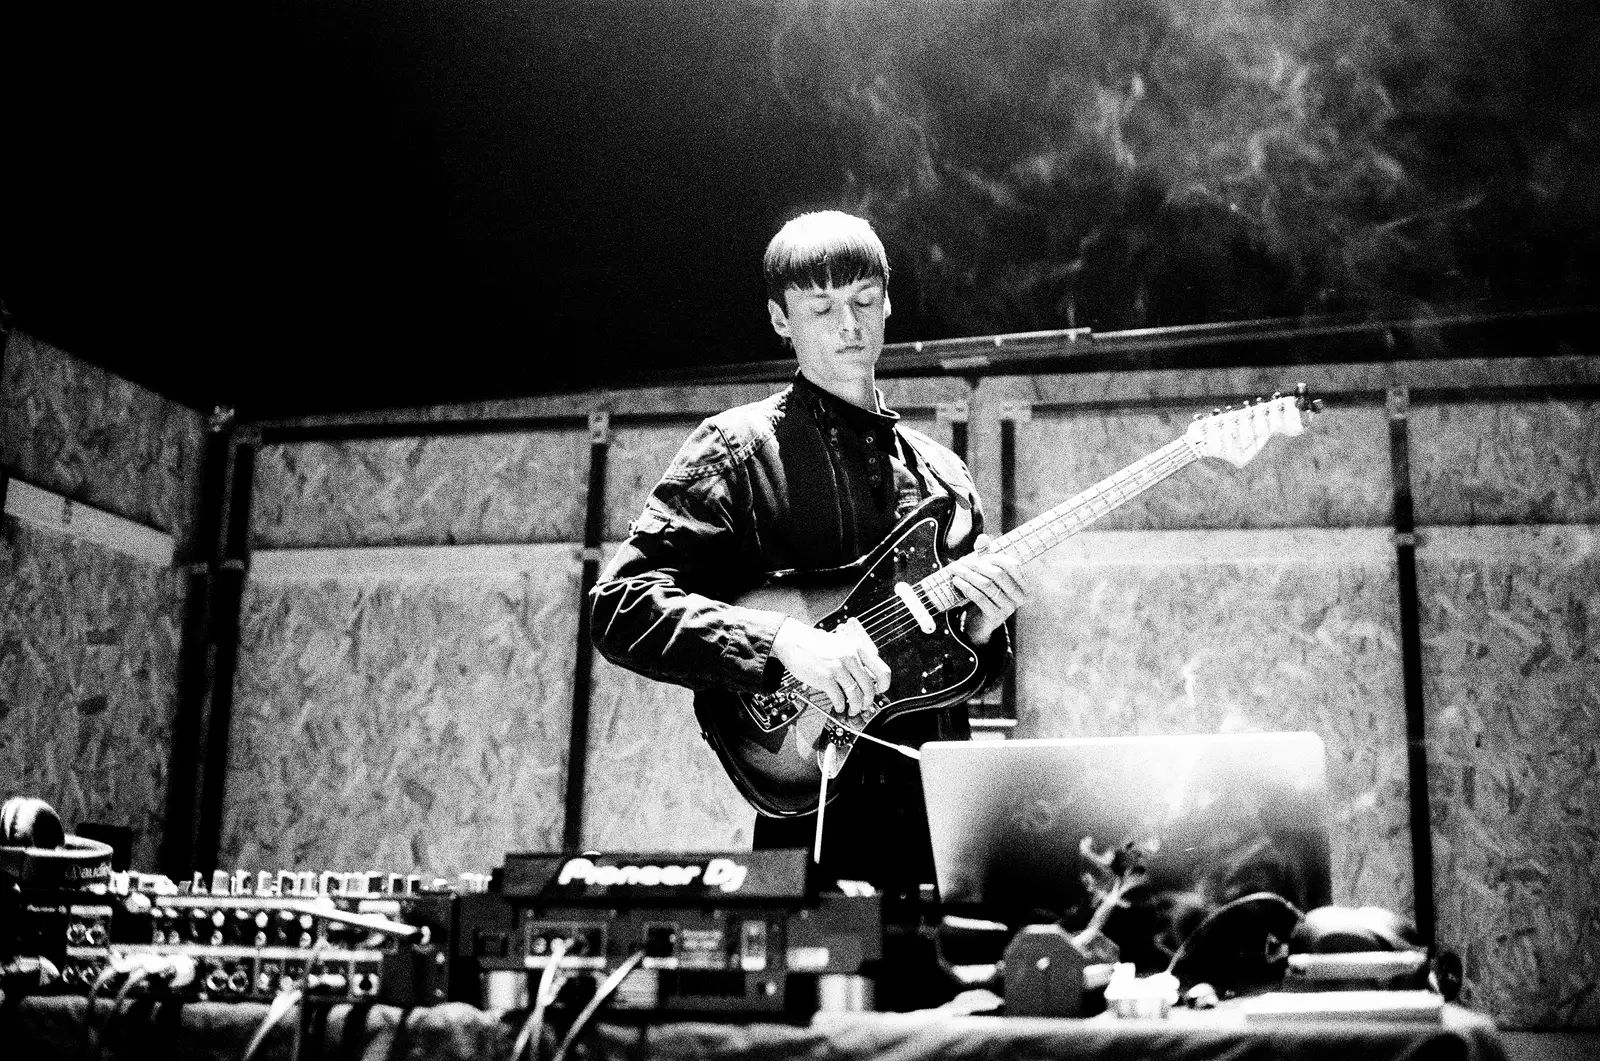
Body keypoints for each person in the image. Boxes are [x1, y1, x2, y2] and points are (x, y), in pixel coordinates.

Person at [589, 211, 1027, 893]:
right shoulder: (736, 450)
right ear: (779, 318)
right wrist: (787, 642)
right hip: (810, 813)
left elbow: (968, 670)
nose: (848, 324)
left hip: (940, 827)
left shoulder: (946, 477)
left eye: (862, 300)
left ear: (888, 303)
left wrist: (981, 627)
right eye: (821, 307)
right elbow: (622, 607)